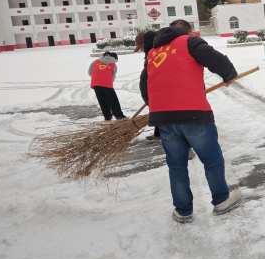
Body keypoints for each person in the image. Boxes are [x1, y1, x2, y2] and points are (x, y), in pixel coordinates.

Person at [139, 19, 241, 223]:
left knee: (176, 166)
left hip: (164, 119)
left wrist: (157, 107)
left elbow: (144, 84)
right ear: (188, 32)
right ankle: (221, 201)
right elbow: (215, 58)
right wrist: (229, 75)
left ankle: (183, 210)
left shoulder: (153, 52)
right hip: (193, 113)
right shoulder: (189, 42)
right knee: (211, 160)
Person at [88, 51, 126, 121]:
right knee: (113, 100)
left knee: (102, 101)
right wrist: (106, 80)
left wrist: (97, 78)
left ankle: (107, 116)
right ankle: (119, 116)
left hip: (95, 83)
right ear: (115, 58)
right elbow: (113, 77)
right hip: (107, 84)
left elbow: (90, 72)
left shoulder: (95, 61)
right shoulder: (113, 65)